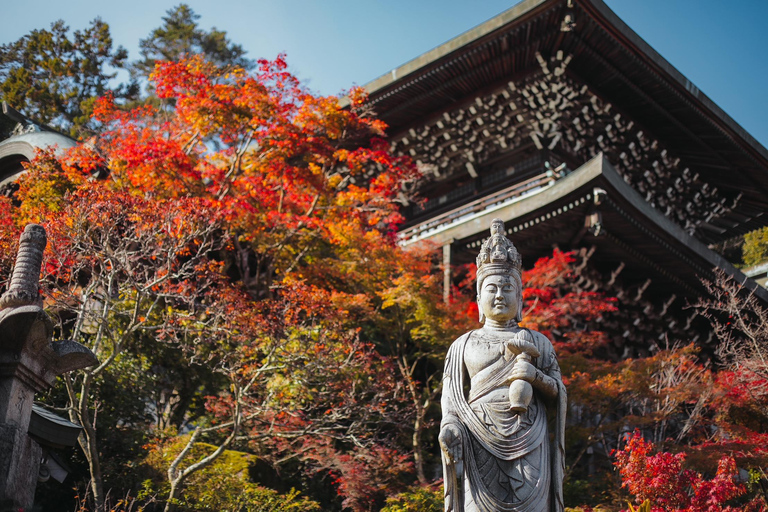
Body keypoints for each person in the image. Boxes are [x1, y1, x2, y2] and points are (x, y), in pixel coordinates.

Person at [439, 218, 567, 512]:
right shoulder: (462, 345)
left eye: (508, 288)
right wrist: (449, 427)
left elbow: (559, 393)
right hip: (477, 436)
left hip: (529, 436)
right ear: (478, 297)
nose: (499, 295)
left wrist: (535, 377)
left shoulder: (539, 342)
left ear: (520, 297)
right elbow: (450, 399)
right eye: (492, 288)